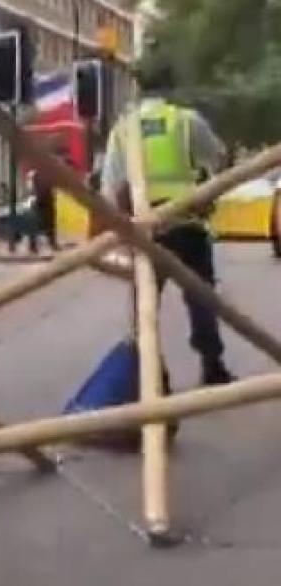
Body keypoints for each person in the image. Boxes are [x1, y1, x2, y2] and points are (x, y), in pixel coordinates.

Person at [100, 61, 235, 386]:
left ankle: (151, 377)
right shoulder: (185, 121)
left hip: (146, 230)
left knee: (144, 307)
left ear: (138, 89)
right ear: (171, 87)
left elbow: (110, 186)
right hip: (186, 223)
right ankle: (212, 365)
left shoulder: (124, 129)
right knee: (201, 296)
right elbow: (220, 158)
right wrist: (207, 192)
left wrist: (123, 230)